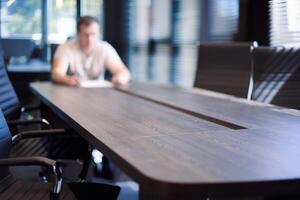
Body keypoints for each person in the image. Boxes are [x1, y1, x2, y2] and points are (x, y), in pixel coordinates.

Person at [52, 15, 130, 86]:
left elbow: (124, 72)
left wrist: (120, 78)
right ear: (78, 34)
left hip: (99, 94)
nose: (90, 39)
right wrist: (67, 79)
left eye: (93, 34)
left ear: (99, 33)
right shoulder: (65, 48)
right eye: (85, 35)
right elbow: (56, 74)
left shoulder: (105, 48)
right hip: (72, 92)